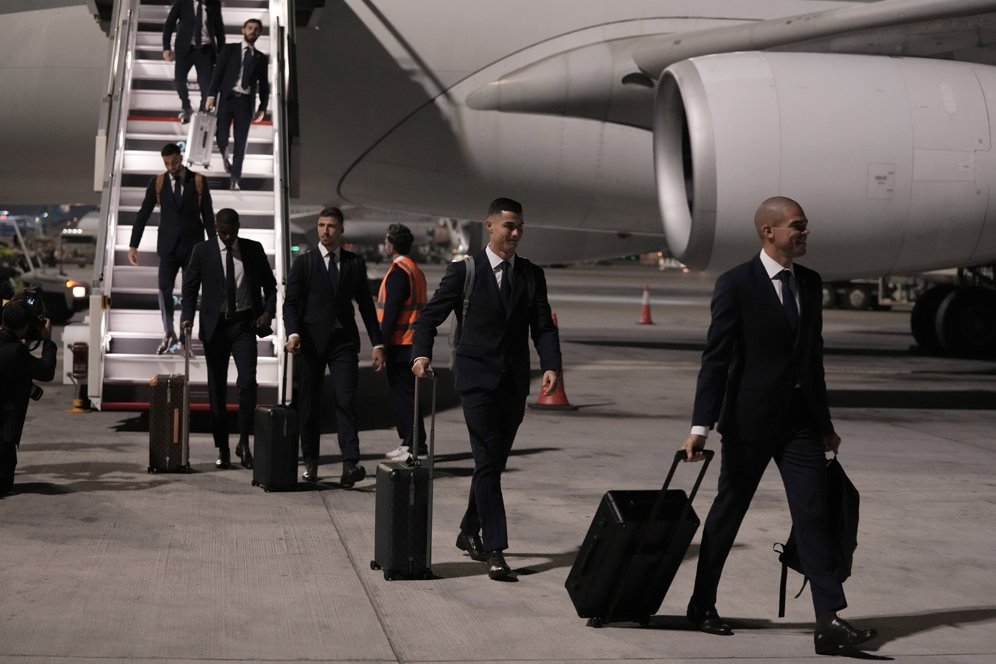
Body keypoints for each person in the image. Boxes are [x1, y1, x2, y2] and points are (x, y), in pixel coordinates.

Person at [680, 196, 877, 655]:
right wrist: (700, 427)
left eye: (805, 226)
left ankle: (828, 620)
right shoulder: (736, 285)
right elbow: (716, 361)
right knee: (729, 513)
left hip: (800, 427)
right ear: (768, 232)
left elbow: (813, 362)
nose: (805, 233)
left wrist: (824, 423)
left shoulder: (809, 284)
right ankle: (701, 604)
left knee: (813, 514)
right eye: (797, 226)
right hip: (748, 425)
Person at [411, 197, 562, 581]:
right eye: (508, 226)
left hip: (513, 382)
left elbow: (543, 326)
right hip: (475, 381)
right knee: (487, 461)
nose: (515, 233)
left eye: (520, 227)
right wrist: (421, 355)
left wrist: (550, 366)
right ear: (490, 226)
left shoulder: (531, 275)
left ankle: (468, 530)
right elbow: (429, 318)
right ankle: (495, 549)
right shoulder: (465, 271)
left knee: (492, 464)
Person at [283, 208, 385, 486]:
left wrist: (377, 343)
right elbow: (290, 304)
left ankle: (350, 464)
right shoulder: (304, 263)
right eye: (321, 225)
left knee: (346, 401)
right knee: (309, 405)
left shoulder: (354, 263)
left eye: (330, 226)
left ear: (341, 230)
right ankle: (311, 462)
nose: (325, 231)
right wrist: (292, 334)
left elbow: (365, 304)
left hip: (343, 343)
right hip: (311, 344)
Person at [180, 208, 276, 470]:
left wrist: (268, 311)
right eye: (222, 232)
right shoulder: (202, 251)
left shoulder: (253, 250)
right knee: (216, 390)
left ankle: (244, 442)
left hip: (244, 325)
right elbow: (189, 288)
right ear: (215, 227)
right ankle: (222, 446)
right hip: (216, 328)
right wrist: (186, 317)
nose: (227, 237)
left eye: (231, 232)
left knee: (247, 383)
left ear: (238, 227)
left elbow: (271, 285)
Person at [129, 142, 215, 354]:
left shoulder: (198, 181)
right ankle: (169, 332)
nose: (171, 166)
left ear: (181, 157)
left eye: (174, 162)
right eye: (167, 163)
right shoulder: (157, 183)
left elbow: (208, 216)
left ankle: (185, 338)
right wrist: (133, 244)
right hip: (168, 246)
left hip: (193, 246)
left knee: (190, 292)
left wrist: (215, 246)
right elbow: (143, 213)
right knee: (164, 288)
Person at [377, 223, 428, 462]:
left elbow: (390, 314)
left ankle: (413, 445)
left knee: (402, 398)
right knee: (409, 397)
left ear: (391, 245)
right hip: (413, 341)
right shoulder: (414, 269)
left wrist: (381, 346)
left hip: (400, 343)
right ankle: (411, 442)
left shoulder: (398, 272)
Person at [0, 296, 57, 496]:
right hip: (4, 432)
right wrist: (48, 341)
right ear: (24, 328)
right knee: (4, 481)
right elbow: (46, 371)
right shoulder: (16, 352)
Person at [205, 17, 269, 191]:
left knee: (242, 142)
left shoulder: (261, 58)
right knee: (222, 136)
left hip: (245, 102)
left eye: (256, 29)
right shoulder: (230, 49)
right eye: (249, 28)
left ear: (259, 33)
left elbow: (264, 84)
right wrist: (211, 95)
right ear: (243, 30)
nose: (252, 31)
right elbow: (217, 73)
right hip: (227, 99)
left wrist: (263, 107)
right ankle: (225, 157)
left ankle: (235, 178)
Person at [162, 0, 225, 123]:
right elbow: (169, 24)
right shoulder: (182, 2)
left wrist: (222, 54)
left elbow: (219, 29)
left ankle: (202, 114)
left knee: (206, 86)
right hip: (185, 49)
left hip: (206, 50)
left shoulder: (214, 3)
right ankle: (186, 107)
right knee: (179, 80)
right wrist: (166, 47)